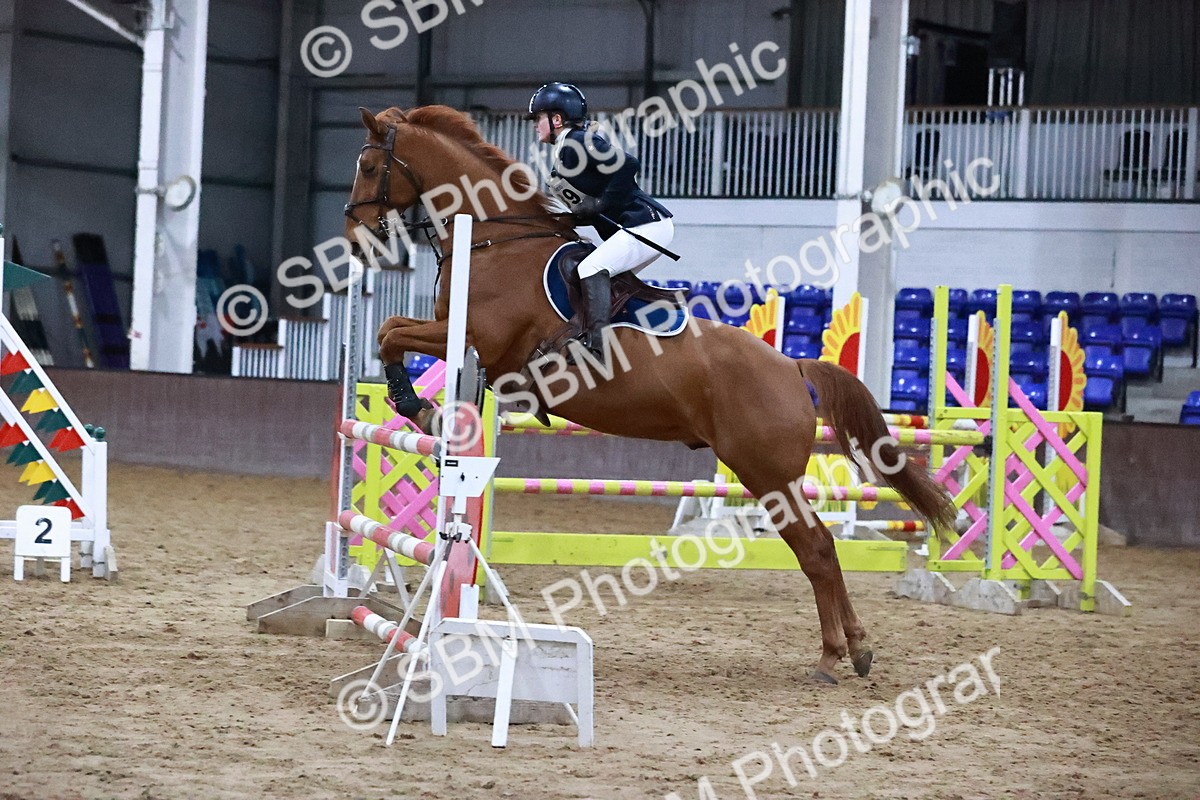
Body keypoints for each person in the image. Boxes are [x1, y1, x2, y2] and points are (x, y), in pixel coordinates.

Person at [528, 82, 675, 357]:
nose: (536, 125)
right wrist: (570, 219)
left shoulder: (576, 141)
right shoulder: (566, 148)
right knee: (602, 280)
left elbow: (628, 164)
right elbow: (591, 206)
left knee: (591, 269)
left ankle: (597, 349)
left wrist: (601, 203)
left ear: (557, 119)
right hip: (646, 227)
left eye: (539, 118)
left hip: (646, 225)